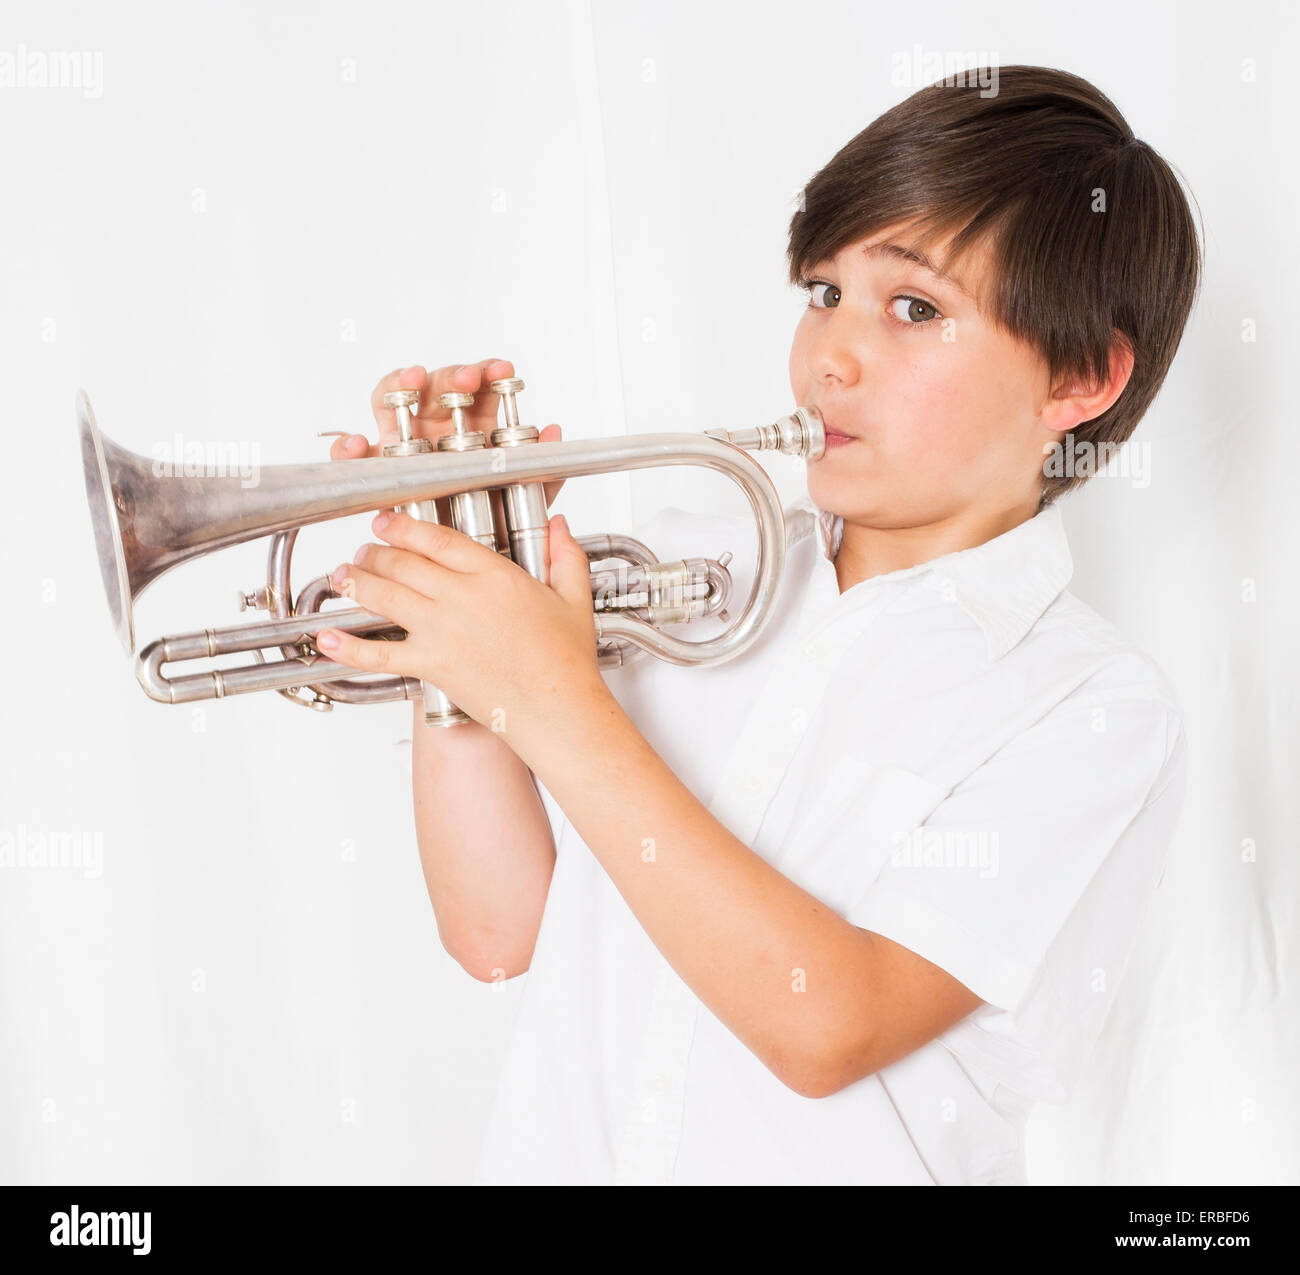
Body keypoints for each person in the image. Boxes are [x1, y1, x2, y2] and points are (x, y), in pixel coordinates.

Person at [316, 64, 1201, 1185]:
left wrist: (552, 698)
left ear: (1079, 378)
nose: (827, 356)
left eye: (914, 308)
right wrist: (460, 636)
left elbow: (827, 1026)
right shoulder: (701, 556)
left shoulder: (1088, 709)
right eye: (823, 292)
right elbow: (501, 939)